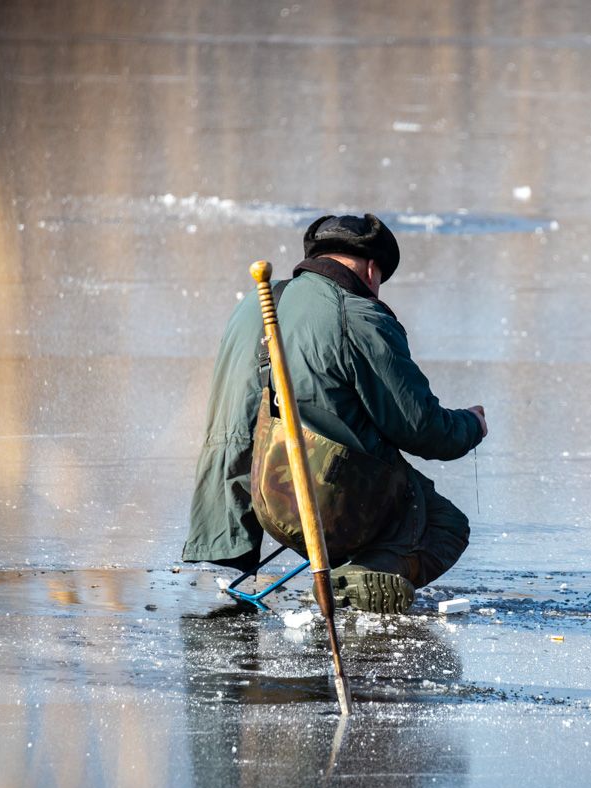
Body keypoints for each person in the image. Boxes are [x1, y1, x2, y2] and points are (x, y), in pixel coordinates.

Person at [183, 213, 487, 613]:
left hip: (241, 497)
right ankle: (361, 576)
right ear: (372, 268)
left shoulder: (253, 304)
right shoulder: (358, 314)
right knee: (442, 523)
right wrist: (471, 424)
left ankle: (293, 570)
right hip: (314, 505)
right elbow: (421, 428)